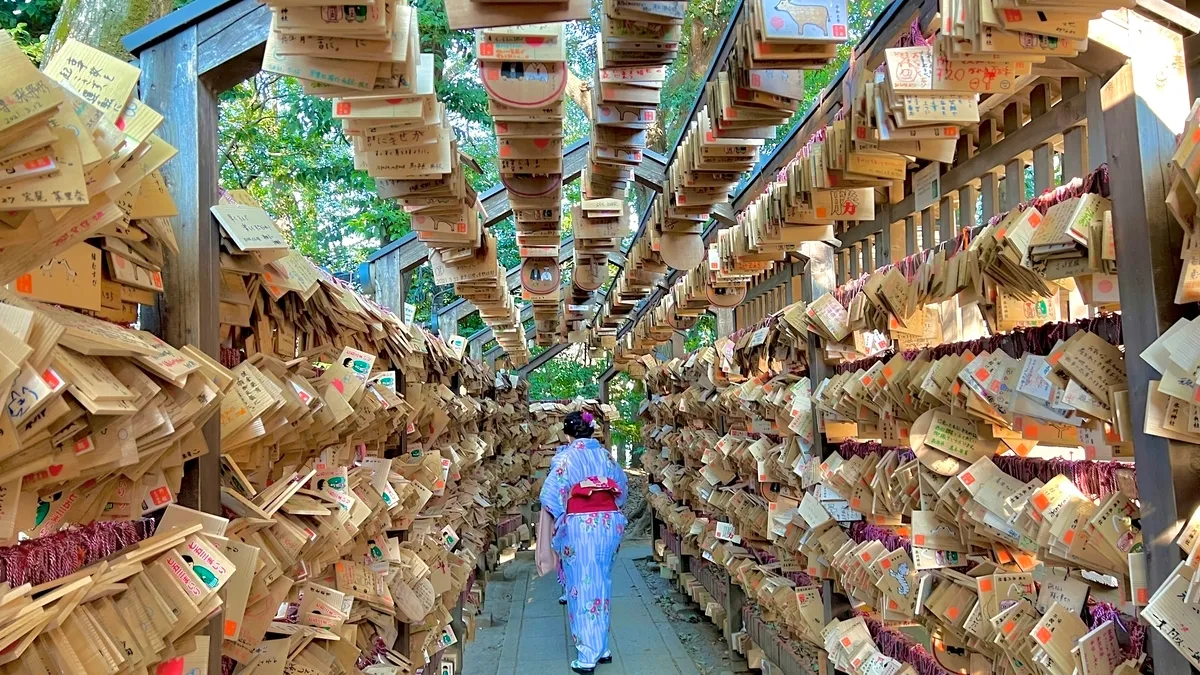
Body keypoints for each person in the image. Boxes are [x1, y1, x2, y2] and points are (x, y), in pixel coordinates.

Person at [539, 411, 628, 673]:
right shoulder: (605, 455)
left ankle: (588, 654)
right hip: (610, 523)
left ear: (567, 434)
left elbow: (552, 497)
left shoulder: (566, 458)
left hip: (581, 525)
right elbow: (622, 487)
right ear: (591, 432)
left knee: (583, 585)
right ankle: (602, 646)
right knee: (601, 580)